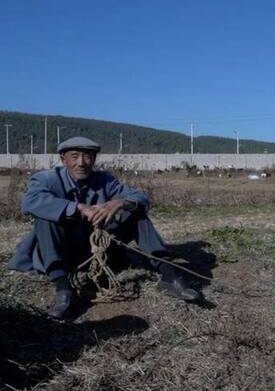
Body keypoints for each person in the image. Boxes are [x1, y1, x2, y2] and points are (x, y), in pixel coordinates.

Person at [8, 136, 201, 319]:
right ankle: (63, 287)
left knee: (135, 211)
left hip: (98, 251)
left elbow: (140, 197)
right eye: (74, 156)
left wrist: (119, 202)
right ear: (63, 159)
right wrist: (77, 208)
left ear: (94, 159)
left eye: (87, 156)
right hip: (62, 251)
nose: (81, 162)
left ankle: (169, 273)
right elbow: (30, 202)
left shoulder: (104, 180)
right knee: (46, 217)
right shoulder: (46, 179)